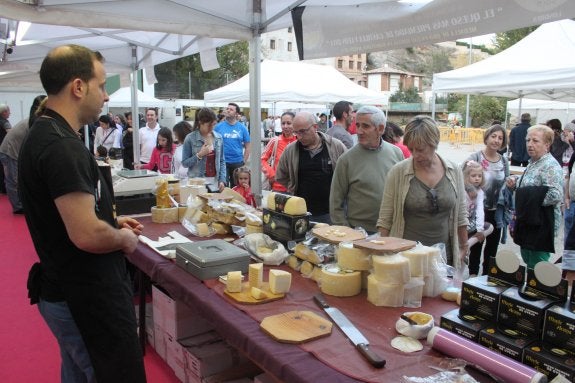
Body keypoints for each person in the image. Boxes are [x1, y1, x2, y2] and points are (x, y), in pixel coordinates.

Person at [18, 44, 146, 383]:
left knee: (78, 372)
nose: (105, 96)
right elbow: (86, 234)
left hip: (67, 288)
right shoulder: (60, 145)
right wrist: (122, 238)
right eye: (102, 85)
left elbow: (66, 216)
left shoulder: (46, 132)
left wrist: (110, 222)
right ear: (78, 87)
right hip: (82, 297)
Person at [377, 115, 468, 268]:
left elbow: (461, 214)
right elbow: (385, 218)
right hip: (405, 258)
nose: (415, 155)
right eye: (411, 149)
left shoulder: (453, 171)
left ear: (434, 143)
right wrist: (382, 255)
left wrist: (464, 246)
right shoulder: (398, 172)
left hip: (444, 258)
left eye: (420, 149)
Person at [330, 106, 403, 233]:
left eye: (365, 126)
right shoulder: (346, 160)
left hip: (392, 231)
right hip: (359, 233)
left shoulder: (396, 153)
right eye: (357, 125)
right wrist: (347, 232)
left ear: (380, 129)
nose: (359, 131)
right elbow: (335, 203)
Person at [506, 125, 563, 269]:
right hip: (529, 220)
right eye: (528, 140)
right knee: (528, 259)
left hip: (542, 224)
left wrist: (524, 195)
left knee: (538, 266)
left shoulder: (551, 166)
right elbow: (531, 184)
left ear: (547, 145)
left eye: (535, 141)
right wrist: (516, 182)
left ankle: (538, 290)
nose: (530, 144)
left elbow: (555, 195)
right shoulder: (533, 162)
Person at [275, 111, 347, 223]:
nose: (299, 136)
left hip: (330, 212)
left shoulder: (335, 146)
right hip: (301, 213)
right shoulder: (291, 150)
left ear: (315, 127)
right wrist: (293, 186)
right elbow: (281, 175)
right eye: (296, 133)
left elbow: (347, 174)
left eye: (303, 131)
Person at [465, 124, 510, 276]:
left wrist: (511, 185)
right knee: (476, 245)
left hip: (496, 211)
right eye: (493, 136)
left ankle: (486, 279)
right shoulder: (475, 158)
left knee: (492, 249)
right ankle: (472, 277)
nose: (496, 140)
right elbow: (461, 176)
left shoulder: (503, 161)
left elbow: (506, 182)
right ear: (487, 137)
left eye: (500, 138)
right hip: (477, 211)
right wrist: (471, 189)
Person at [0, 95, 46, 214]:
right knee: (13, 180)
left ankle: (20, 204)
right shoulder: (35, 122)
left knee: (16, 179)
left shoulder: (34, 120)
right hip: (10, 151)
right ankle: (18, 207)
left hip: (13, 149)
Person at [181, 107, 226, 192]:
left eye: (214, 124)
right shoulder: (190, 138)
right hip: (196, 183)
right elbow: (185, 163)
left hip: (215, 182)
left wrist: (222, 180)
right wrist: (200, 155)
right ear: (200, 122)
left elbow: (222, 161)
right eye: (209, 125)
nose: (212, 128)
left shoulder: (218, 137)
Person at [462, 160, 488, 276]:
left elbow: (480, 210)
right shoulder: (463, 191)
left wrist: (480, 228)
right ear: (466, 177)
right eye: (473, 176)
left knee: (489, 227)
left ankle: (467, 248)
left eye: (479, 176)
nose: (477, 178)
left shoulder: (480, 192)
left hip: (471, 223)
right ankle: (465, 249)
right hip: (461, 223)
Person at [214, 103, 250, 187]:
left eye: (231, 109)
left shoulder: (242, 128)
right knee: (223, 187)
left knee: (237, 187)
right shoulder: (218, 127)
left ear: (236, 113)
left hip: (237, 162)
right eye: (227, 109)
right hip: (223, 162)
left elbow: (248, 146)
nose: (228, 110)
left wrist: (243, 161)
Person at [261, 111, 297, 193]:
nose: (285, 126)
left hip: (296, 188)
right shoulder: (275, 141)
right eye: (283, 123)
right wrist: (272, 175)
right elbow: (262, 160)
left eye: (289, 123)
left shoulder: (300, 141)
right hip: (278, 187)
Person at [0, 103, 11, 194]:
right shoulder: (5, 123)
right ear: (3, 112)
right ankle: (5, 189)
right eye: (8, 111)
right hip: (3, 149)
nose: (10, 113)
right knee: (6, 170)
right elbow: (10, 134)